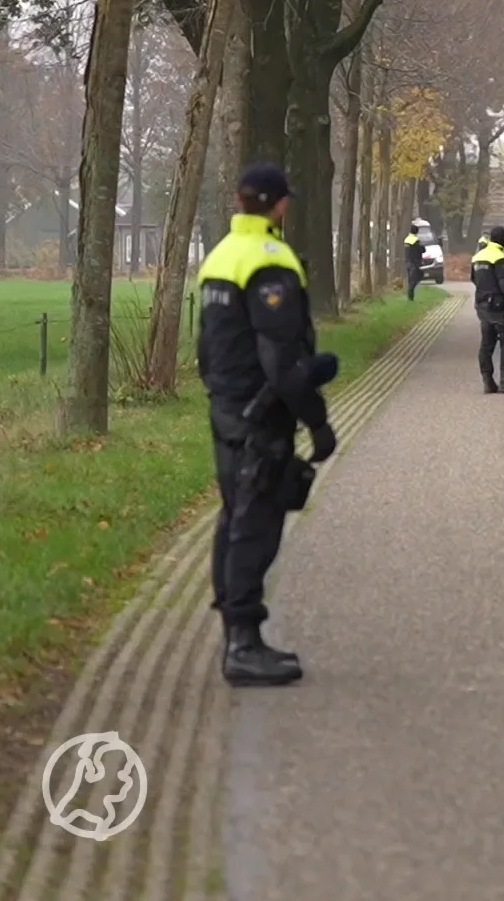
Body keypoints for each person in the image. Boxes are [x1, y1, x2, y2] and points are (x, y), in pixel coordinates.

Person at [196, 164, 338, 687]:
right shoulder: (270, 261)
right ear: (280, 205)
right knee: (256, 523)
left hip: (227, 409)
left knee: (235, 515)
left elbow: (207, 350)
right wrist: (317, 422)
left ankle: (236, 628)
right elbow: (282, 360)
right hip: (262, 415)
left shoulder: (219, 258)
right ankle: (243, 646)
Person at [471, 226, 504, 394]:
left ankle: (488, 381)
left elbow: (473, 279)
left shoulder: (477, 257)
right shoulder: (500, 258)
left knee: (486, 344)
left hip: (482, 307)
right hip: (499, 307)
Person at [403, 225, 425, 301]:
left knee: (410, 280)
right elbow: (422, 250)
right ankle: (410, 296)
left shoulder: (406, 239)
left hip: (408, 262)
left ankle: (410, 295)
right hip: (415, 263)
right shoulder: (415, 240)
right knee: (416, 278)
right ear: (417, 231)